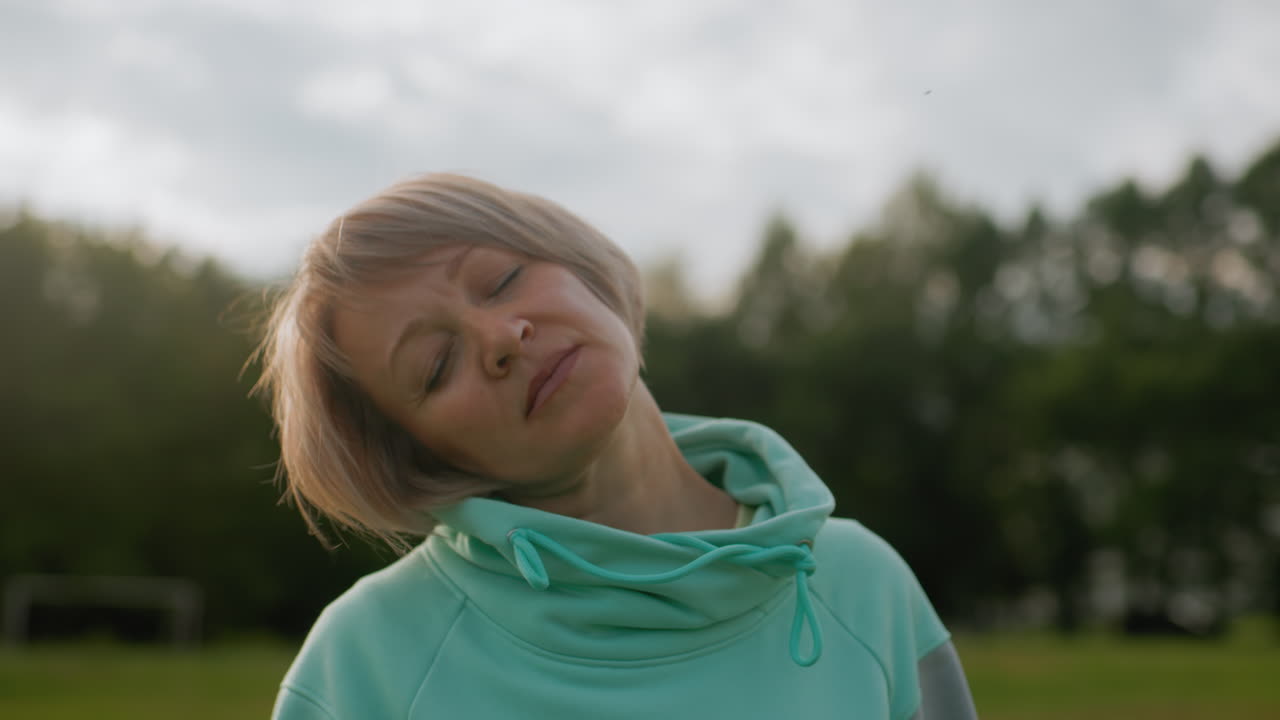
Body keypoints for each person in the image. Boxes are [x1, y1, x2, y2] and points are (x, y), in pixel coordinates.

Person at [257, 174, 978, 719]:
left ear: (581, 266)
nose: (503, 337)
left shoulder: (863, 585)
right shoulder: (364, 663)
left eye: (503, 279)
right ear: (419, 459)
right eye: (436, 365)